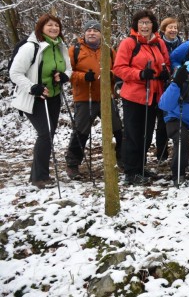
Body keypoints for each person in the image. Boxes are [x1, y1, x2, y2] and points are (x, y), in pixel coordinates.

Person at [10, 14, 72, 189]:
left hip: (53, 96)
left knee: (49, 135)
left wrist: (65, 76)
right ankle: (40, 177)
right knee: (45, 134)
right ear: (41, 28)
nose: (54, 28)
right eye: (49, 25)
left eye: (56, 26)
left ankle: (37, 174)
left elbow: (68, 67)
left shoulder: (60, 46)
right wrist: (32, 87)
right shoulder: (31, 47)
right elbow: (15, 73)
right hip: (34, 98)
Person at [112, 10, 171, 185]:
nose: (144, 26)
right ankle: (131, 171)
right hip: (134, 95)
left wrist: (164, 73)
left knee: (146, 133)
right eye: (141, 23)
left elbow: (165, 63)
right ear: (136, 25)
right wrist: (139, 74)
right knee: (133, 134)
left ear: (153, 24)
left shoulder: (159, 43)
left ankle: (141, 167)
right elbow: (119, 68)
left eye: (147, 22)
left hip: (153, 94)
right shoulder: (129, 43)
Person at [64, 20, 123, 180]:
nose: (92, 33)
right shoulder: (74, 50)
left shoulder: (109, 50)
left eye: (95, 30)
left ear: (101, 34)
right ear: (84, 33)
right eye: (89, 30)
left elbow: (118, 69)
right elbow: (66, 72)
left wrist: (112, 76)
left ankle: (122, 159)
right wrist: (84, 77)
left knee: (117, 129)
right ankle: (72, 164)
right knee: (81, 131)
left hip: (106, 97)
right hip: (84, 98)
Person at [155, 17, 182, 162]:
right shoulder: (158, 44)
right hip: (162, 85)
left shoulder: (182, 44)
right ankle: (161, 153)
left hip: (177, 85)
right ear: (163, 29)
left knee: (174, 118)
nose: (173, 30)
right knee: (161, 120)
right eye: (170, 27)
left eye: (175, 28)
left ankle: (177, 150)